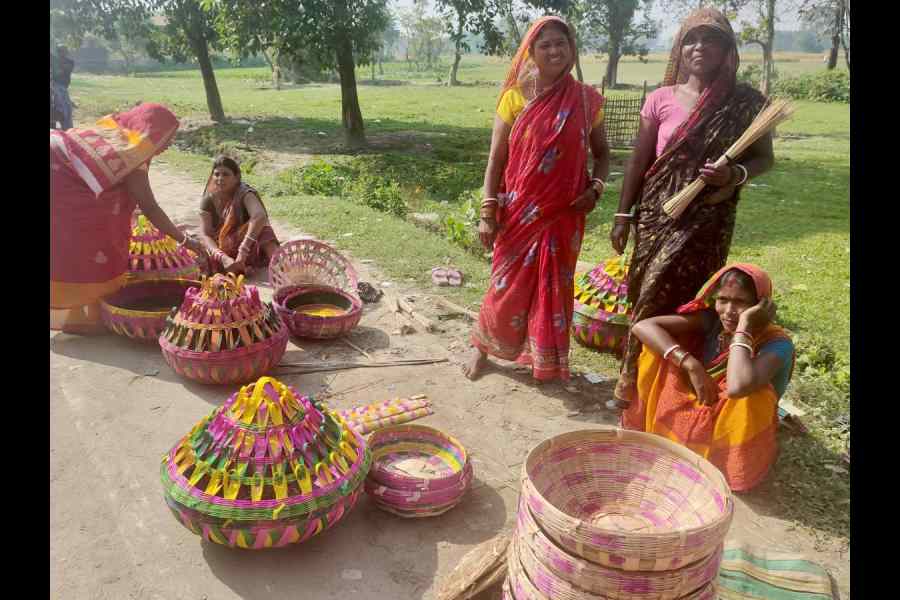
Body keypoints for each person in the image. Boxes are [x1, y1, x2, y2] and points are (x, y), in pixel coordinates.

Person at [609, 8, 775, 409]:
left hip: (709, 217)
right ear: (679, 49)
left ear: (728, 50)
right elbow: (638, 160)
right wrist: (623, 214)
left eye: (711, 39)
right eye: (691, 40)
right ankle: (632, 372)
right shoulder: (661, 98)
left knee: (693, 298)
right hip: (657, 214)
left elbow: (764, 158)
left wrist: (733, 173)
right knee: (646, 292)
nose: (700, 47)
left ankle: (672, 380)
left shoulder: (748, 103)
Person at [462, 16, 610, 382]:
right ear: (531, 51)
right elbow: (496, 160)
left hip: (565, 214)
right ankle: (482, 347)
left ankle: (547, 360)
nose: (554, 50)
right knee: (505, 285)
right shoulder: (514, 98)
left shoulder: (588, 101)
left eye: (561, 43)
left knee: (553, 291)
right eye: (545, 45)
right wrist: (488, 210)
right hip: (518, 213)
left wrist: (595, 189)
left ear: (572, 49)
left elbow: (604, 155)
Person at [623, 264, 795, 491]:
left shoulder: (778, 344)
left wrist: (744, 328)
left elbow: (737, 387)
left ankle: (726, 462)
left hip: (730, 417)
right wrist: (691, 364)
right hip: (705, 394)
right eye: (723, 299)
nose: (729, 310)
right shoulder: (713, 321)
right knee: (658, 353)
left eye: (741, 302)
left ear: (761, 305)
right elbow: (644, 326)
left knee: (752, 396)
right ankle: (665, 431)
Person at [50, 102, 206, 334]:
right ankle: (77, 318)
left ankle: (77, 315)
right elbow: (150, 207)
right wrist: (185, 240)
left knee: (76, 242)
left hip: (57, 168)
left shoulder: (114, 136)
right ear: (151, 134)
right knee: (92, 243)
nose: (168, 144)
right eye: (166, 138)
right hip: (60, 184)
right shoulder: (131, 155)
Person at [198, 155, 280, 276]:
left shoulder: (244, 193)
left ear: (236, 178)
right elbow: (205, 235)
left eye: (226, 174)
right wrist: (223, 257)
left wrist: (243, 250)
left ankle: (281, 266)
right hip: (222, 247)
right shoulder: (209, 199)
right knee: (201, 258)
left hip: (247, 245)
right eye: (216, 174)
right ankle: (238, 267)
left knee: (264, 230)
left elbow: (259, 216)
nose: (220, 178)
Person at [51, 45, 75, 130]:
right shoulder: (54, 61)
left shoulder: (69, 62)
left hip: (62, 88)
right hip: (54, 85)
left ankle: (67, 128)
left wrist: (55, 62)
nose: (62, 53)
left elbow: (61, 71)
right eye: (60, 51)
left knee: (66, 108)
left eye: (64, 51)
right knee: (58, 106)